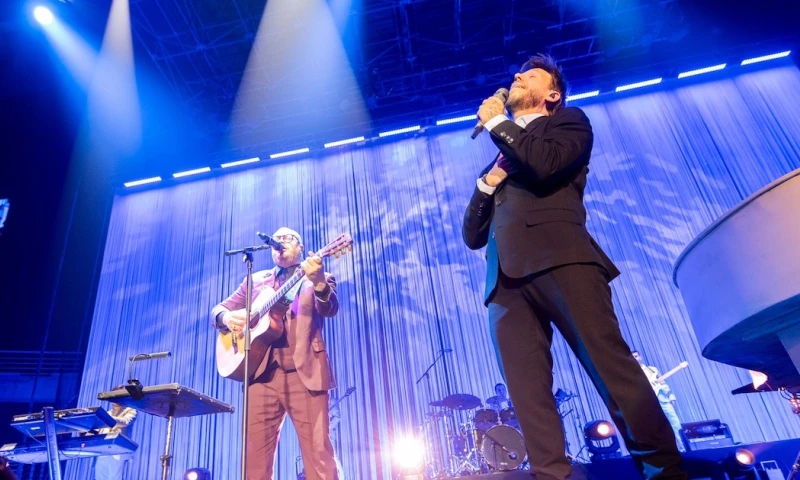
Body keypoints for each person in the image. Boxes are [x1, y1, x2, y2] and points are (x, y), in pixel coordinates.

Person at [461, 54, 687, 480]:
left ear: (552, 94)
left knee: (613, 372)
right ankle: (551, 474)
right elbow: (472, 236)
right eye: (517, 73)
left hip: (563, 261)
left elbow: (545, 165)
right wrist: (486, 183)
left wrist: (495, 123)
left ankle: (664, 472)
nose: (517, 76)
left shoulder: (568, 123)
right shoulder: (498, 157)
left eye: (529, 75)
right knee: (528, 395)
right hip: (505, 284)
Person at [211, 227, 339, 480]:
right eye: (276, 240)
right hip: (260, 375)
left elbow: (329, 308)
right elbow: (219, 310)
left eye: (287, 239)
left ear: (301, 248)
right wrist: (226, 317)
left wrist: (320, 281)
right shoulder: (255, 280)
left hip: (304, 373)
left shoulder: (315, 277)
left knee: (319, 456)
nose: (280, 243)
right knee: (254, 462)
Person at [633, 351, 686, 451]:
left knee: (675, 423)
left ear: (640, 357)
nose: (634, 358)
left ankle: (684, 448)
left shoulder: (652, 369)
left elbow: (662, 382)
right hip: (647, 402)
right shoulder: (630, 372)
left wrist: (671, 395)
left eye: (636, 356)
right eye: (632, 357)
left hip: (662, 398)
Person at [94, 386, 137, 480]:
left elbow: (125, 422)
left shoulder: (130, 410)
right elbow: (98, 430)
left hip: (119, 449)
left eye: (118, 395)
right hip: (103, 449)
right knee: (100, 476)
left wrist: (105, 418)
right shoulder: (107, 413)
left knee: (114, 476)